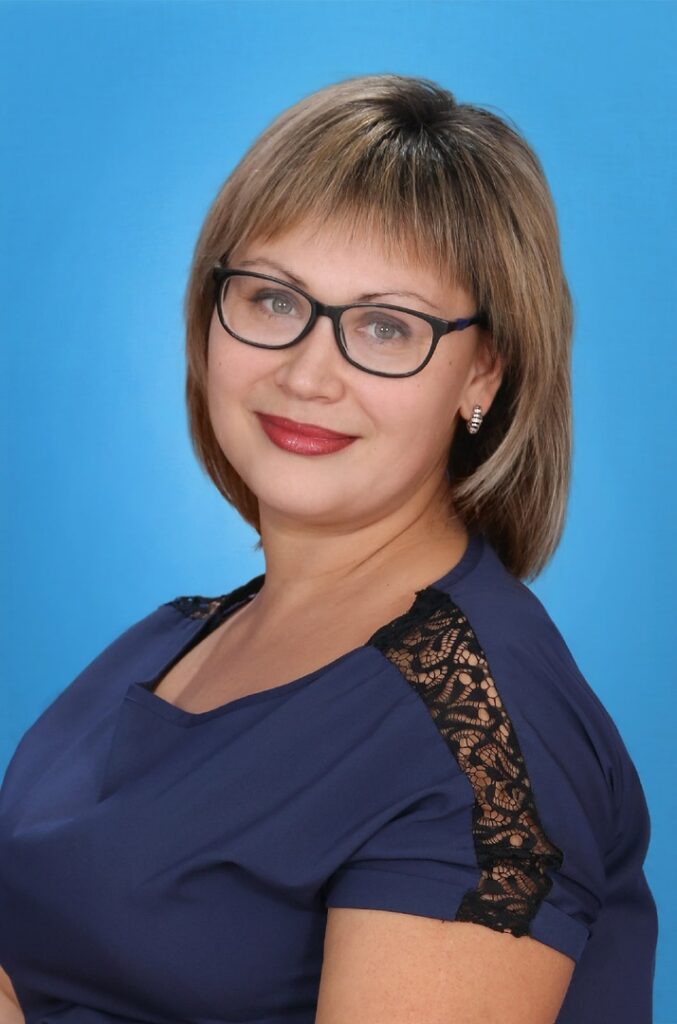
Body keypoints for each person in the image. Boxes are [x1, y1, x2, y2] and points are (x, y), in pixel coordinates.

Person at [0, 73, 658, 1024]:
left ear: (483, 371)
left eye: (386, 326)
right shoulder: (173, 640)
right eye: (273, 300)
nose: (308, 373)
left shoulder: (484, 736)